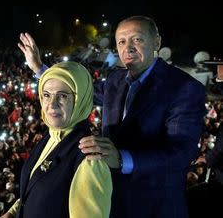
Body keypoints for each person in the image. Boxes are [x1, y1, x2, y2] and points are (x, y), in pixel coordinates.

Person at [18, 15, 206, 218]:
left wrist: (123, 159)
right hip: (110, 203)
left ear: (157, 42)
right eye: (122, 41)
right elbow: (78, 92)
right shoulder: (115, 80)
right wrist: (40, 69)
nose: (129, 47)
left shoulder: (184, 88)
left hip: (154, 207)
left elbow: (181, 153)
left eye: (137, 39)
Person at [2, 61, 112, 217]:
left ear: (80, 99)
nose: (52, 105)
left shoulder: (90, 159)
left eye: (63, 96)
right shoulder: (50, 136)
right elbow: (38, 191)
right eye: (46, 95)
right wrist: (13, 213)